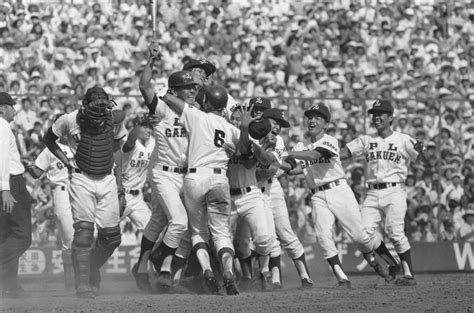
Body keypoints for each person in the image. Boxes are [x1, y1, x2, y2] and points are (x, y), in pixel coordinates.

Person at [286, 103, 392, 288]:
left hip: (338, 190)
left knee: (360, 237)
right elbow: (292, 168)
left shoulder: (329, 140)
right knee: (323, 235)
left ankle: (384, 260)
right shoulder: (300, 145)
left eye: (317, 117)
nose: (312, 120)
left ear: (326, 124)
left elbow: (313, 155)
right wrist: (275, 160)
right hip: (317, 195)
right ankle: (342, 277)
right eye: (310, 117)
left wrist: (288, 153)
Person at [160, 85, 251, 295]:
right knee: (221, 233)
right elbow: (245, 151)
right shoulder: (231, 129)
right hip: (219, 178)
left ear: (208, 103)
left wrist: (171, 92)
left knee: (198, 232)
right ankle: (228, 271)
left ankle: (208, 270)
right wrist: (245, 127)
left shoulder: (197, 116)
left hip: (194, 177)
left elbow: (169, 100)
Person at [43, 86, 127, 298]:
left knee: (112, 238)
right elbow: (48, 140)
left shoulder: (115, 120)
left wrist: (120, 186)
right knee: (84, 233)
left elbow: (116, 150)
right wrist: (66, 162)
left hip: (107, 177)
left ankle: (89, 268)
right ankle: (82, 284)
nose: (99, 117)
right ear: (85, 106)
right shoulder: (69, 120)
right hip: (81, 177)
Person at [135, 41, 201, 293]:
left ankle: (147, 266)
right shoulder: (161, 109)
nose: (192, 91)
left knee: (160, 219)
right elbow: (144, 86)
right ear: (174, 90)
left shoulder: (196, 112)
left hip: (185, 175)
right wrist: (151, 62)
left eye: (193, 87)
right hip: (163, 173)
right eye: (186, 88)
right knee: (180, 221)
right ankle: (157, 263)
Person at [340, 99, 425, 286]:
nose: (376, 117)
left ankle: (409, 274)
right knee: (360, 234)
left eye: (380, 114)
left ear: (391, 117)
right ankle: (392, 265)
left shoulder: (403, 139)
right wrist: (322, 153)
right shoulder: (366, 139)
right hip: (371, 193)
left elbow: (424, 158)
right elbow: (343, 153)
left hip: (395, 190)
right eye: (374, 114)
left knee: (395, 231)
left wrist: (423, 152)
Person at [251, 97, 313, 289]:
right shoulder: (250, 135)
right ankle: (271, 279)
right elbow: (277, 164)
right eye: (275, 122)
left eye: (280, 125)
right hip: (253, 189)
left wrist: (293, 162)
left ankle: (305, 277)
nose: (278, 127)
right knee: (268, 237)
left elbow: (279, 166)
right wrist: (288, 163)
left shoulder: (276, 139)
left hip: (272, 187)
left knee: (285, 233)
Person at [227, 106, 280, 291]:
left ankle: (264, 271)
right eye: (234, 118)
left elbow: (248, 161)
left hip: (250, 195)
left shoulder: (251, 138)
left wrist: (244, 129)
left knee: (264, 238)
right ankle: (243, 276)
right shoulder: (220, 137)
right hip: (228, 197)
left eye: (240, 118)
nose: (236, 121)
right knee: (238, 245)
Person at [24, 135, 75, 290]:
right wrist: (31, 167)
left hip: (82, 191)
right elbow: (37, 173)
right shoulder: (50, 150)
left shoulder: (80, 145)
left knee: (88, 233)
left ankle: (88, 275)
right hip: (61, 192)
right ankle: (70, 276)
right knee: (69, 237)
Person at [0, 92, 32, 298]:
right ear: (2, 108)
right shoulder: (2, 125)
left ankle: (10, 285)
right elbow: (2, 158)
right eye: (11, 105)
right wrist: (5, 189)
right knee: (22, 236)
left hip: (8, 180)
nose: (14, 109)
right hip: (10, 183)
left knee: (6, 235)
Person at [120, 115, 154, 231]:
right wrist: (138, 125)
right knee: (106, 234)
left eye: (150, 127)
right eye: (145, 127)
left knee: (153, 232)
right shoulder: (130, 142)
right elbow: (130, 140)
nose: (148, 130)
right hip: (121, 195)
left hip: (138, 197)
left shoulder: (150, 144)